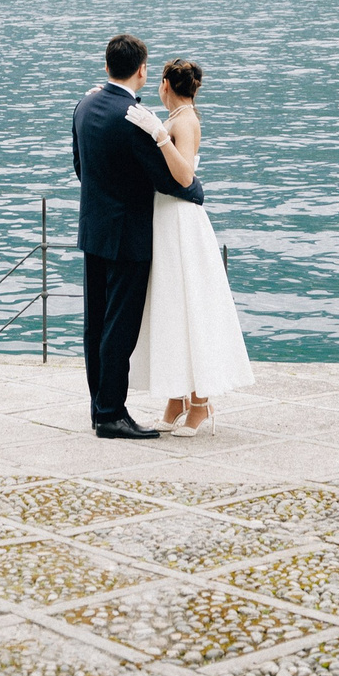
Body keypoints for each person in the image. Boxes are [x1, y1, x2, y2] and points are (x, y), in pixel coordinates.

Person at [70, 32, 205, 440]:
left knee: (95, 326)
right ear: (143, 71)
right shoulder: (134, 118)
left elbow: (80, 167)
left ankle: (99, 410)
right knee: (119, 328)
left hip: (93, 231)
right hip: (128, 237)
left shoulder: (84, 105)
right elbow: (172, 181)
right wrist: (197, 191)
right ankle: (112, 414)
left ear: (106, 65)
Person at [124, 57, 254, 433]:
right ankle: (176, 398)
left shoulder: (185, 121)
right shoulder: (176, 118)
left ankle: (200, 403)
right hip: (165, 217)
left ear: (165, 84)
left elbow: (184, 176)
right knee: (171, 306)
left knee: (189, 305)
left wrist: (159, 136)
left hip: (180, 220)